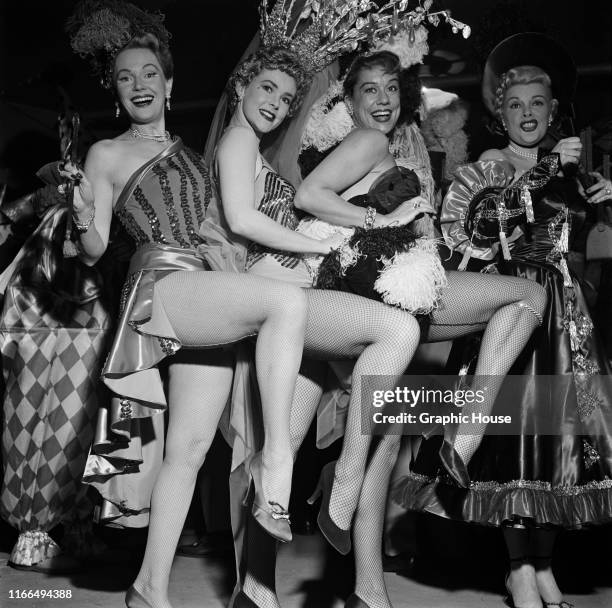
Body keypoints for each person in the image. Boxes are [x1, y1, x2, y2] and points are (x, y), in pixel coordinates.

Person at [225, 37, 547, 606]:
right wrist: (385, 218)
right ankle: (260, 584)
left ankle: (368, 585)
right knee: (289, 447)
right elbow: (310, 196)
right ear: (348, 101)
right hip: (344, 297)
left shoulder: (403, 148)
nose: (382, 99)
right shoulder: (369, 140)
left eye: (391, 88)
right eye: (368, 89)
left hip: (385, 297)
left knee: (519, 299)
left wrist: (423, 229)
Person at [63, 3, 313, 607]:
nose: (140, 84)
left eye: (150, 73)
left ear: (169, 85)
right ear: (116, 91)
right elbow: (95, 251)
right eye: (126, 77)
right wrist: (79, 218)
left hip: (207, 289)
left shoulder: (193, 152)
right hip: (161, 288)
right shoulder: (104, 153)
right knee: (282, 304)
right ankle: (278, 470)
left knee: (191, 449)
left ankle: (149, 588)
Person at [394, 33, 612, 608]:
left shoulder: (571, 168)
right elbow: (489, 223)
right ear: (501, 115)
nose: (527, 115)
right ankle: (517, 568)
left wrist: (604, 194)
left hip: (567, 314)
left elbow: (588, 237)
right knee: (511, 439)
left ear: (554, 110)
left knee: (560, 443)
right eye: (515, 105)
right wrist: (543, 175)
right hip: (512, 307)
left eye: (537, 104)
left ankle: (543, 564)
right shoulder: (494, 164)